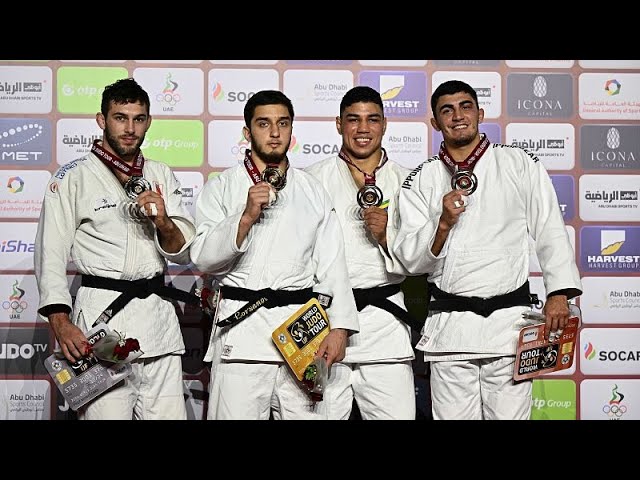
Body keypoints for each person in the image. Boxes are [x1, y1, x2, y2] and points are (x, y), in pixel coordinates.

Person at [392, 80, 582, 420]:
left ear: (480, 113)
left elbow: (550, 228)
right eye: (446, 110)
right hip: (451, 330)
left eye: (465, 106)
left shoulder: (518, 162)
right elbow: (410, 261)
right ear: (435, 123)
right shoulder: (422, 177)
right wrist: (443, 224)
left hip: (509, 326)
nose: (457, 116)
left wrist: (560, 293)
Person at [189, 90, 359, 420]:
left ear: (292, 130)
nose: (275, 132)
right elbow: (204, 258)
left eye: (283, 123)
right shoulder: (223, 186)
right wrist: (246, 216)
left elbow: (333, 265)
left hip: (302, 339)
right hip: (242, 337)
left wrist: (339, 328)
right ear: (247, 132)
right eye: (264, 123)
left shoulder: (312, 190)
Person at [34, 78, 196, 420]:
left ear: (148, 122)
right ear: (101, 119)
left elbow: (181, 252)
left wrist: (164, 221)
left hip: (158, 326)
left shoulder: (160, 174)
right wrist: (61, 324)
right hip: (101, 326)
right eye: (120, 117)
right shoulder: (72, 178)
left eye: (138, 119)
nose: (130, 128)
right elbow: (49, 256)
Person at [305, 86, 417, 420]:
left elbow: (422, 258)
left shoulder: (408, 183)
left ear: (385, 124)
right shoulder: (311, 180)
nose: (363, 129)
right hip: (325, 322)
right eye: (353, 120)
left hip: (384, 322)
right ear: (338, 124)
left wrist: (386, 237)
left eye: (372, 119)